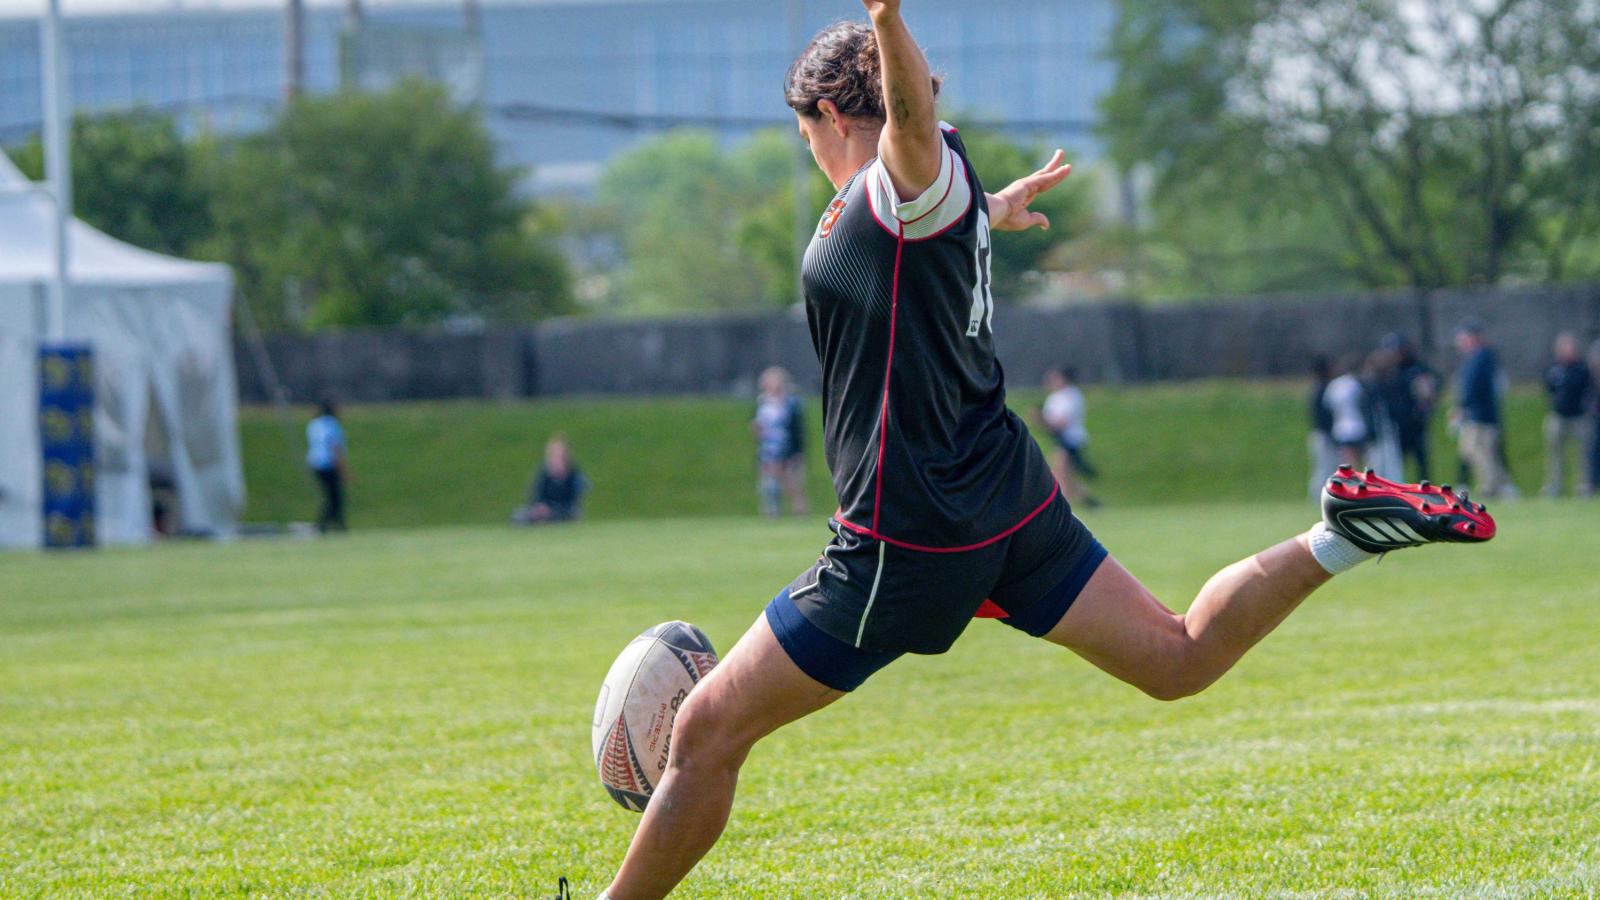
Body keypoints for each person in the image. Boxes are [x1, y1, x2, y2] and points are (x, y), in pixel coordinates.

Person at [595, 6, 1495, 898]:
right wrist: (989, 210)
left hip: (909, 533)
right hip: (1005, 497)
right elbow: (925, 233)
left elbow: (906, 131)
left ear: (832, 116)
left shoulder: (899, 174)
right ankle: (1341, 535)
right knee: (1177, 658)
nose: (810, 150)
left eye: (805, 133)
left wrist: (885, 16)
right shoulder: (929, 198)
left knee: (707, 732)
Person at [1451, 319, 1509, 498]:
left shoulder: (1481, 358)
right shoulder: (1475, 359)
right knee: (1472, 451)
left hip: (1480, 415)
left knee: (1482, 453)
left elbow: (1473, 388)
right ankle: (1499, 484)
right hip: (1476, 414)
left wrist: (1462, 407)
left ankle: (1491, 487)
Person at [1377, 333, 1439, 483]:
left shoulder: (1416, 369)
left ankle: (1425, 488)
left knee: (1421, 458)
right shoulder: (1387, 372)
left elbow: (1431, 389)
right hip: (1395, 422)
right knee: (1395, 461)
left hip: (1416, 421)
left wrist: (1425, 408)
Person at [750, 367, 810, 518]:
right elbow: (759, 424)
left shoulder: (791, 402)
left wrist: (798, 452)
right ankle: (772, 513)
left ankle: (800, 512)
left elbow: (798, 428)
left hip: (788, 447)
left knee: (793, 483)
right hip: (768, 449)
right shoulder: (763, 402)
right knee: (770, 483)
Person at [1541, 332, 1593, 497]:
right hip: (1558, 415)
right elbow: (1549, 387)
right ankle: (1555, 485)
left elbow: (1584, 388)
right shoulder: (1554, 368)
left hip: (1579, 416)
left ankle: (1583, 486)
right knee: (1555, 454)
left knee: (1583, 454)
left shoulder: (1581, 369)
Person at [1040, 366, 1099, 507]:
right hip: (1058, 440)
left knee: (1060, 474)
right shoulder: (1053, 398)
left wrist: (1041, 420)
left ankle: (1064, 505)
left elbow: (1063, 421)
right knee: (1060, 474)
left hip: (1070, 440)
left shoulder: (1071, 395)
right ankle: (1090, 502)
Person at [513, 435, 588, 524]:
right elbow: (535, 492)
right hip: (544, 508)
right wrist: (540, 506)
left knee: (571, 514)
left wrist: (553, 508)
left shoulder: (573, 472)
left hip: (564, 510)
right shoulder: (544, 471)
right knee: (520, 515)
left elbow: (574, 498)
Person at [306, 398, 347, 533]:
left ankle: (335, 525)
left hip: (315, 463)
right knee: (335, 497)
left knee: (332, 496)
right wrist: (343, 470)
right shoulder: (333, 425)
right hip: (329, 464)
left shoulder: (314, 424)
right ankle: (324, 525)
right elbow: (334, 447)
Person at [1322, 354, 1369, 469]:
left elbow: (1328, 406)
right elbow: (1363, 403)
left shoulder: (1334, 384)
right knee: (1359, 459)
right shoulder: (1356, 384)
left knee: (1346, 460)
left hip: (1340, 428)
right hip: (1357, 426)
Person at [1306, 356, 1338, 499]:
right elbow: (1323, 416)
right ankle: (1318, 497)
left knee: (1325, 468)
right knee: (1323, 468)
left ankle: (1322, 496)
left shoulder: (1318, 387)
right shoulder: (1323, 389)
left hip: (1320, 433)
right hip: (1323, 433)